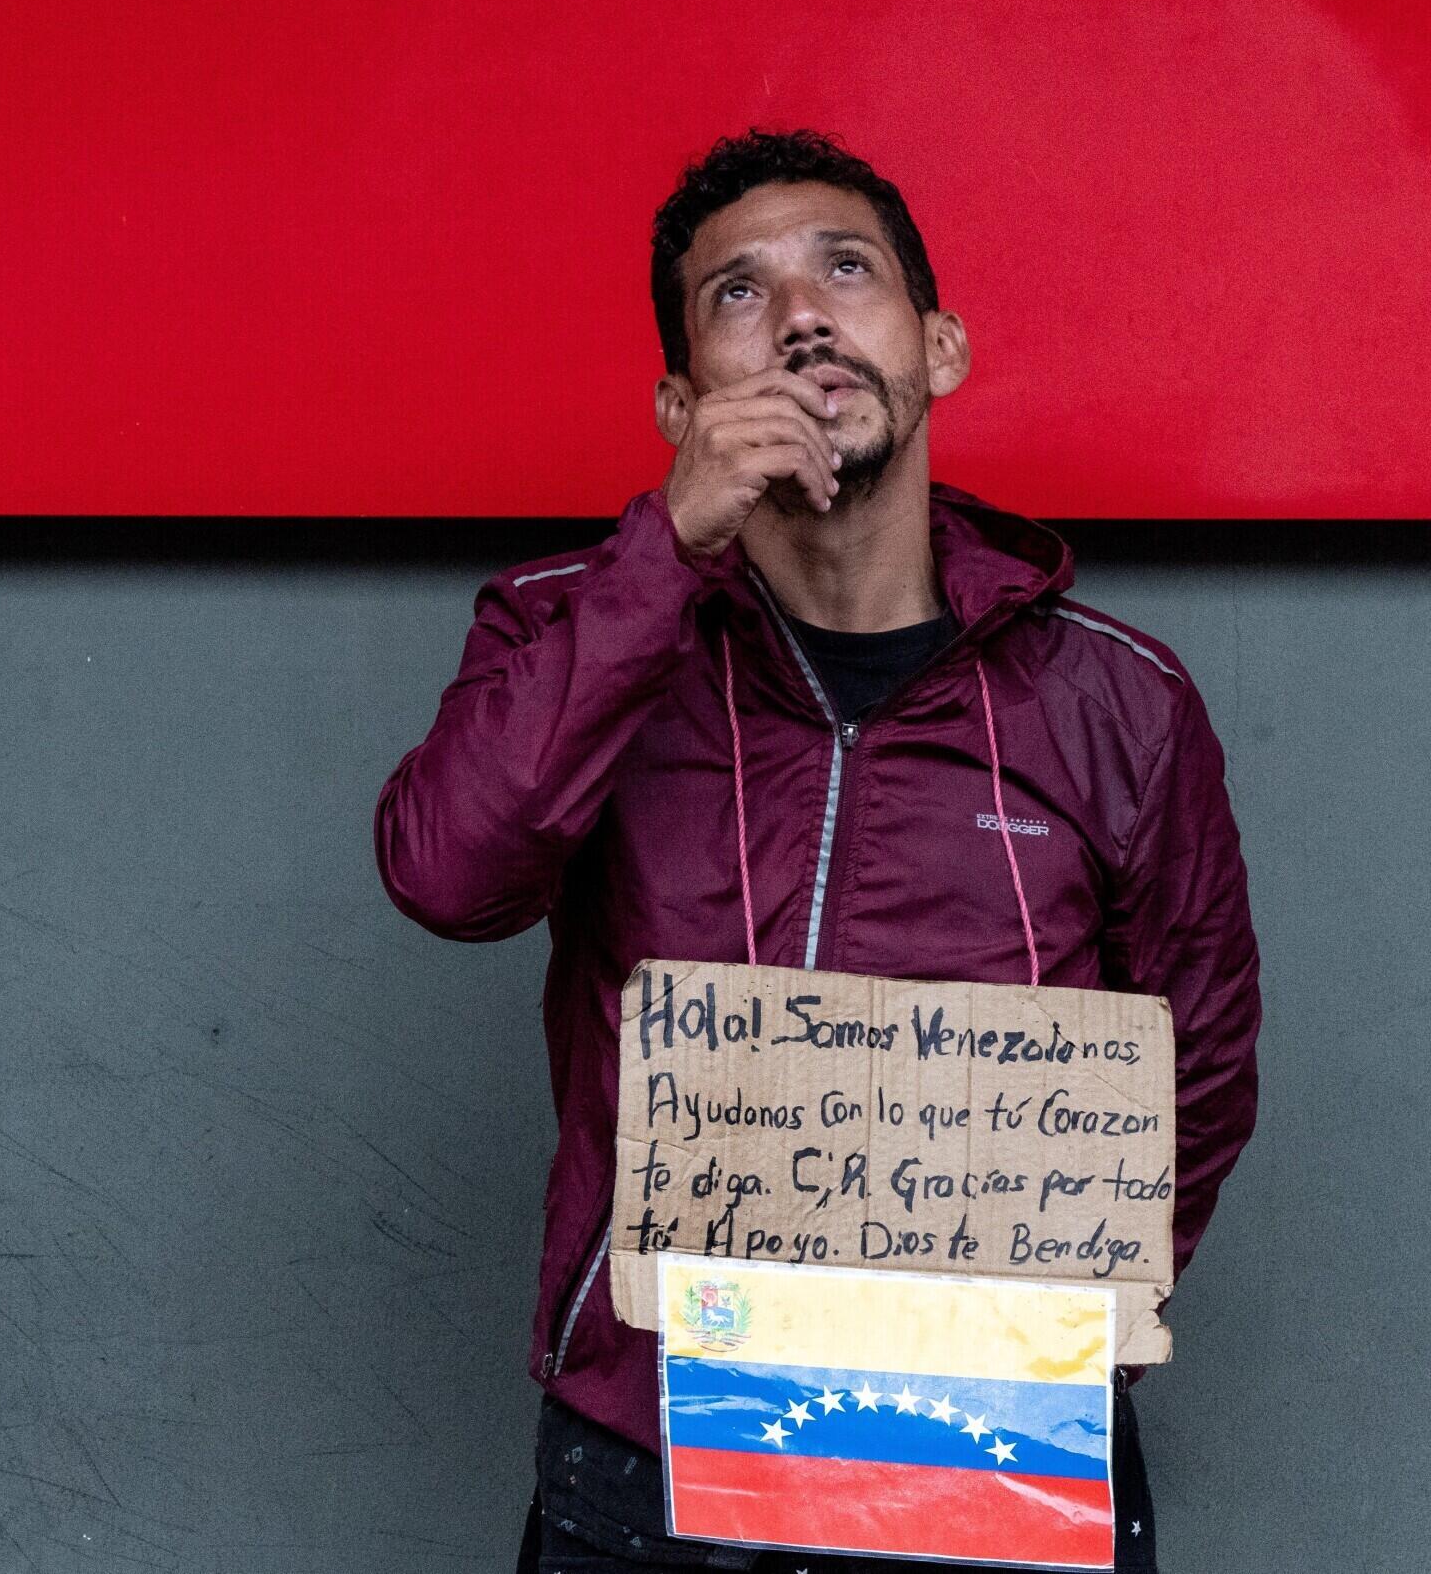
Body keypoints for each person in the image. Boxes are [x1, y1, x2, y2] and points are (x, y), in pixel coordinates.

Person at [374, 128, 1263, 1572]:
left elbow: (1198, 1077)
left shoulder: (1117, 701)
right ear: (681, 403)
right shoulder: (569, 625)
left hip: (996, 1450)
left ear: (940, 347)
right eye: (738, 292)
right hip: (653, 1459)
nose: (799, 315)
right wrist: (666, 552)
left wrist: (1044, 1307)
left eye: (846, 271)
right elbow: (447, 872)